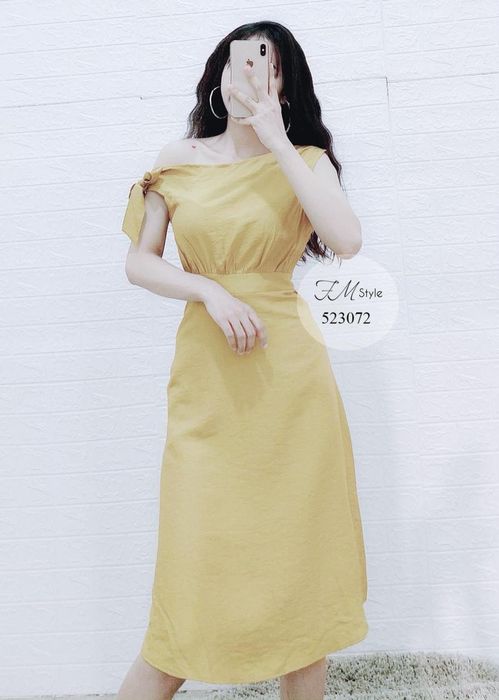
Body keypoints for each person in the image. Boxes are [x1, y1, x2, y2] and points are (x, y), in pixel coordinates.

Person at [116, 21, 368, 700]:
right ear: (218, 75)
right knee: (186, 597)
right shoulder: (179, 158)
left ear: (285, 86)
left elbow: (346, 239)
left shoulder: (304, 160)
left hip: (291, 388)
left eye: (269, 65)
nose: (250, 74)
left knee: (303, 594)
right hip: (208, 380)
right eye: (239, 61)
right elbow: (139, 262)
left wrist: (279, 142)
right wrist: (207, 289)